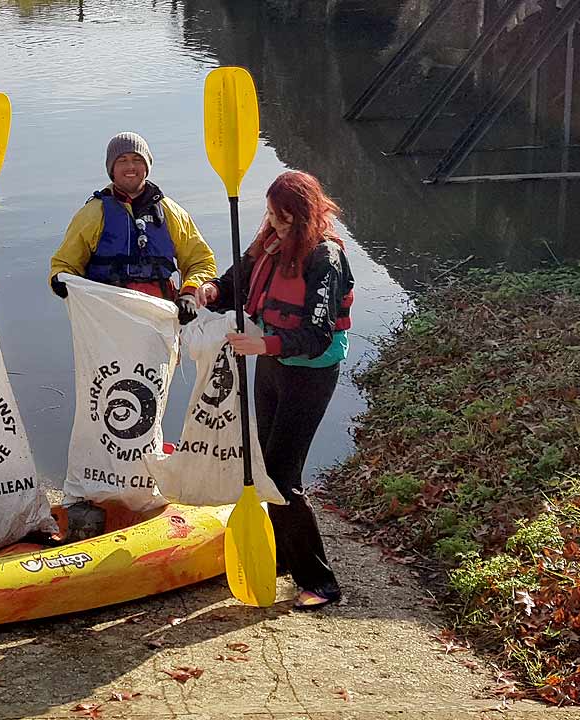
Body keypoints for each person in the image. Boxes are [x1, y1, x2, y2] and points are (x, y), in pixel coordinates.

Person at [195, 170, 355, 611]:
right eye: (270, 214)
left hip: (310, 372)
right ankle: (283, 554)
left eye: (284, 218)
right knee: (263, 462)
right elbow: (235, 285)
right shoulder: (267, 244)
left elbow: (318, 333)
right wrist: (210, 291)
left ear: (304, 215)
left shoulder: (326, 258)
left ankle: (319, 582)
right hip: (270, 364)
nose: (275, 223)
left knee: (282, 476)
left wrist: (263, 344)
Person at [49, 131, 217, 324]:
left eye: (137, 159)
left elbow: (201, 261)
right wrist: (60, 281)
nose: (130, 166)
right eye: (122, 160)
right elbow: (64, 264)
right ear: (112, 169)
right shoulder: (93, 214)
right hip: (107, 320)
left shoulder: (171, 213)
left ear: (146, 167)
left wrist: (190, 292)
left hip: (159, 318)